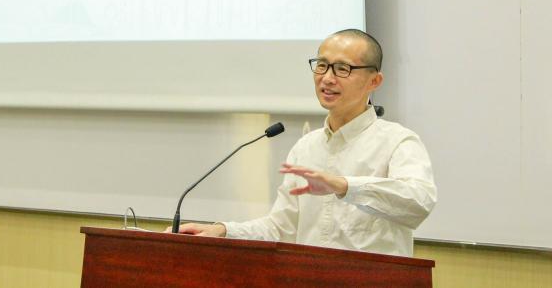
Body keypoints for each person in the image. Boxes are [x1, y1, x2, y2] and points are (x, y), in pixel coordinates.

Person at [171, 29, 436, 257]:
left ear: (374, 81)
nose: (327, 78)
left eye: (342, 69)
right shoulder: (306, 147)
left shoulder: (398, 141)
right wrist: (223, 231)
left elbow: (419, 202)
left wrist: (344, 186)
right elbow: (282, 228)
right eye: (322, 65)